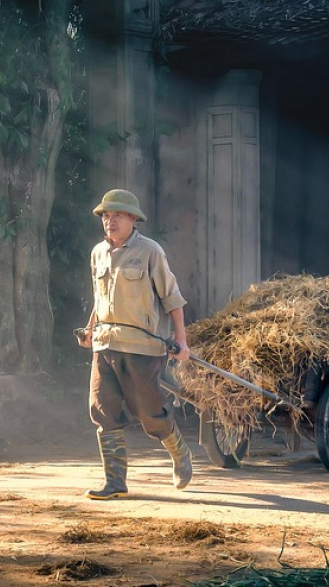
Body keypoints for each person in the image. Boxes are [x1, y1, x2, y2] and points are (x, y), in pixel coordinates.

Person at [77, 188, 192, 500]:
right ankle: (115, 481)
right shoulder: (98, 253)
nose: (110, 222)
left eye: (117, 216)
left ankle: (179, 452)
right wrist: (90, 329)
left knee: (149, 412)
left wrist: (181, 341)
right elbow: (100, 298)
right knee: (103, 409)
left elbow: (172, 298)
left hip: (142, 347)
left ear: (132, 219)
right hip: (105, 343)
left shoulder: (150, 251)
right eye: (106, 216)